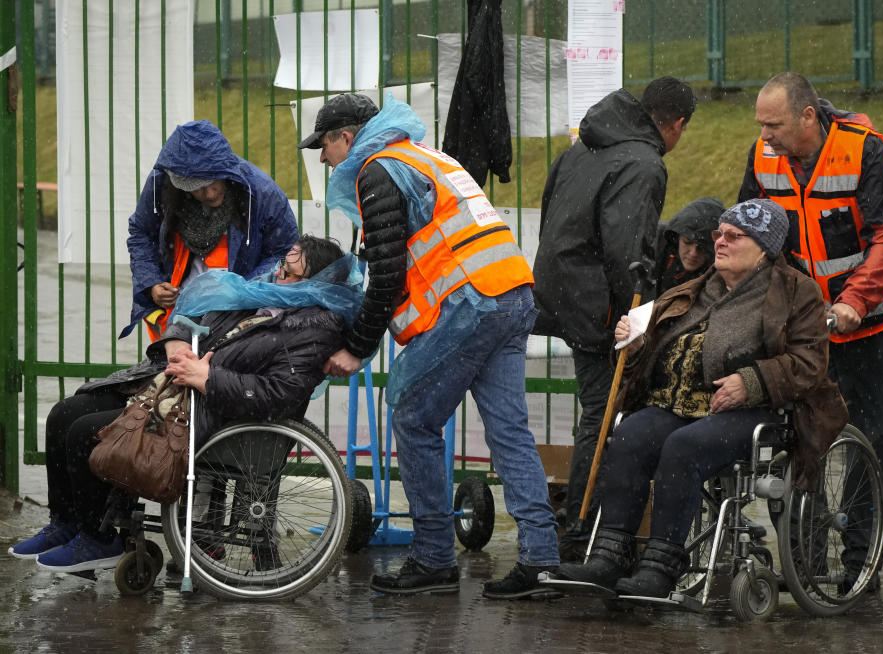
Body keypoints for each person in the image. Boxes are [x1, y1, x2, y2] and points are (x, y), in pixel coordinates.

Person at [298, 92, 559, 598]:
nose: (325, 159)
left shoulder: (377, 169)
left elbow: (389, 273)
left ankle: (435, 557)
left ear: (346, 137)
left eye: (324, 147)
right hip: (511, 291)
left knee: (413, 420)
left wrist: (356, 347)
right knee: (509, 431)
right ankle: (541, 560)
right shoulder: (426, 155)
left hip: (471, 304)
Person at [9, 236, 361, 572]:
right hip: (172, 384)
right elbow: (196, 318)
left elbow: (276, 394)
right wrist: (175, 342)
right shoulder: (258, 295)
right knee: (65, 413)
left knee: (86, 432)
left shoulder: (316, 328)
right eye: (283, 263)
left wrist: (206, 378)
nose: (278, 272)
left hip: (213, 410)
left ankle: (98, 538)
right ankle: (66, 523)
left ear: (317, 283)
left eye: (290, 272)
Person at [550, 199, 848, 597]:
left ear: (764, 248)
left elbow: (809, 361)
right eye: (718, 235)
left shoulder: (796, 291)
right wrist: (637, 342)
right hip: (680, 404)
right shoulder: (697, 287)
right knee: (630, 436)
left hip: (757, 412)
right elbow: (658, 342)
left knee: (683, 447)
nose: (719, 243)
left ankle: (660, 568)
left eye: (733, 236)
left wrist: (752, 380)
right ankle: (609, 557)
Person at [738, 72, 883, 579]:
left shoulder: (865, 150)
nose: (765, 135)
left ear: (808, 116)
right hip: (811, 324)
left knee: (874, 438)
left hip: (877, 321)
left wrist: (856, 301)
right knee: (802, 437)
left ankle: (863, 561)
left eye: (774, 124)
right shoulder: (763, 156)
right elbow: (751, 230)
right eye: (761, 125)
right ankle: (807, 561)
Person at [530, 78, 697, 561]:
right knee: (604, 416)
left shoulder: (585, 145)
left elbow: (549, 212)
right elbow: (630, 253)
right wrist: (635, 316)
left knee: (597, 410)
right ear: (677, 124)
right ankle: (582, 533)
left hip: (560, 289)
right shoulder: (644, 163)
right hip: (598, 304)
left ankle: (584, 525)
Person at [122, 119, 300, 341]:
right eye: (197, 189)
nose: (210, 194)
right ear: (180, 185)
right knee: (178, 371)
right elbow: (141, 234)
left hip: (241, 312)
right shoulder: (162, 185)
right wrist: (152, 283)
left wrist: (241, 290)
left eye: (214, 182)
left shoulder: (262, 192)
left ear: (226, 172)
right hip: (179, 311)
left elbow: (286, 252)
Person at [652, 197, 724, 297]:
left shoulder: (721, 274)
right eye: (687, 242)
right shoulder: (656, 241)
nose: (693, 253)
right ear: (676, 238)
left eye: (702, 248)